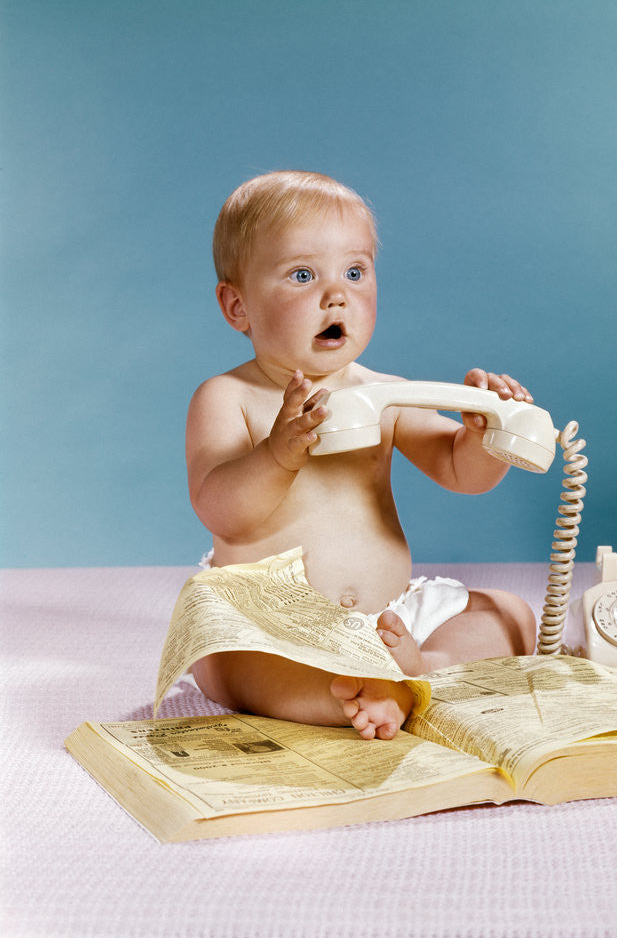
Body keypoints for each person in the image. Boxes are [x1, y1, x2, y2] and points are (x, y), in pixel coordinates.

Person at [187, 170, 536, 740]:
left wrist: (485, 434)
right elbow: (223, 512)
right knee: (232, 666)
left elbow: (459, 472)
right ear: (237, 305)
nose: (336, 294)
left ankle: (420, 673)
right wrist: (278, 453)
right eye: (303, 275)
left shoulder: (384, 393)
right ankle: (345, 695)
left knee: (509, 616)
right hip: (276, 626)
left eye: (355, 271)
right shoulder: (229, 398)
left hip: (389, 616)